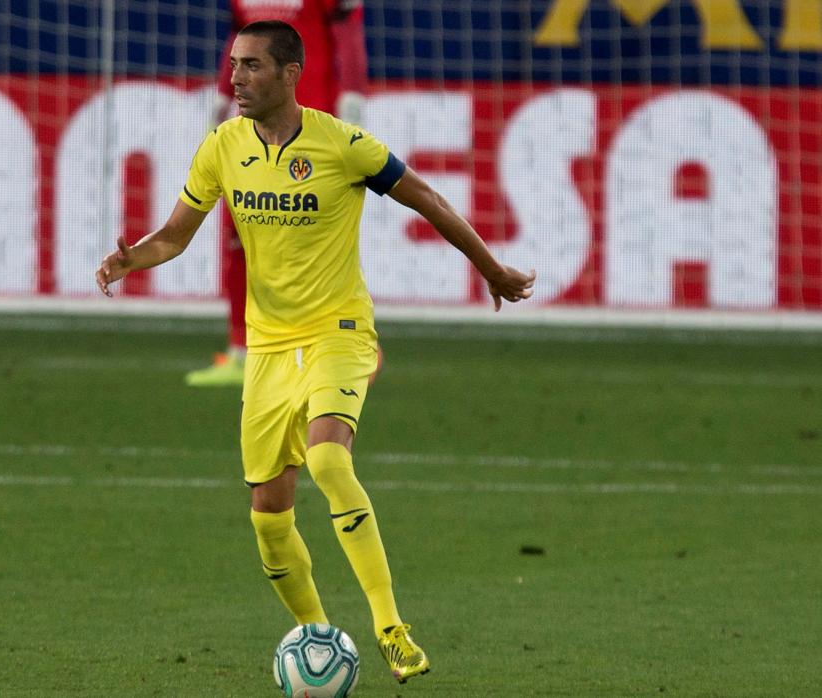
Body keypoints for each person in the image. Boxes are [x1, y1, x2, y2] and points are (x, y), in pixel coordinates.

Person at [96, 20, 534, 684]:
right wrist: (134, 259)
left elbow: (430, 200)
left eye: (250, 67)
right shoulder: (221, 147)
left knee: (329, 458)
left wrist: (490, 268)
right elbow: (174, 235)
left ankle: (390, 627)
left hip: (339, 331)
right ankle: (316, 633)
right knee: (269, 518)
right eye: (233, 65)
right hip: (269, 350)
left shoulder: (343, 145)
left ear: (290, 72)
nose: (234, 79)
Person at [186, 0, 369, 387]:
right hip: (253, 129)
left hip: (311, 127)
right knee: (241, 236)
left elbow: (348, 30)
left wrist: (353, 98)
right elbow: (240, 45)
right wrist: (221, 100)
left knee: (307, 241)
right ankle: (241, 351)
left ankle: (325, 348)